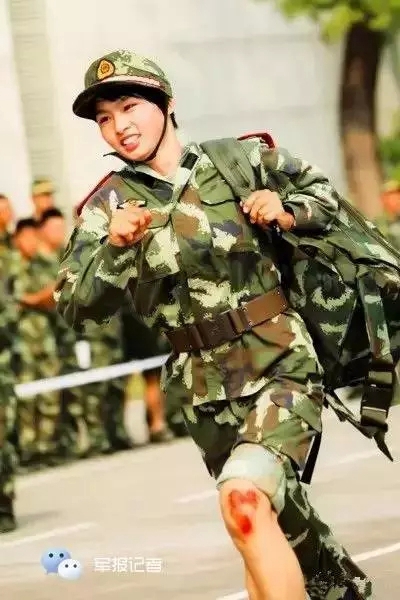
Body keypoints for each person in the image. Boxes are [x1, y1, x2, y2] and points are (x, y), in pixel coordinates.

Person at [55, 50, 373, 600]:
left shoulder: (239, 161)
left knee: (243, 500)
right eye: (104, 118)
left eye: (129, 106)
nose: (119, 126)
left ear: (166, 103)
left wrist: (286, 209)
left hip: (280, 360)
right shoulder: (107, 206)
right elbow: (75, 306)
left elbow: (328, 201)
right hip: (202, 390)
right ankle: (337, 588)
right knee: (264, 523)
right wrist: (115, 249)